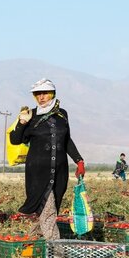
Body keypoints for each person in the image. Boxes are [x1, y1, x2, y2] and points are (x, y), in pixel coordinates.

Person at [9, 78, 84, 240]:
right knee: (48, 211)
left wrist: (79, 160)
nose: (41, 97)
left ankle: (30, 245)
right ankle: (57, 257)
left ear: (53, 94)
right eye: (37, 94)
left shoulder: (62, 115)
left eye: (45, 93)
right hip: (38, 172)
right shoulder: (31, 115)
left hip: (60, 171)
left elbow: (66, 140)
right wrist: (22, 122)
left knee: (49, 209)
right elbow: (15, 140)